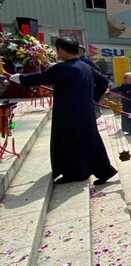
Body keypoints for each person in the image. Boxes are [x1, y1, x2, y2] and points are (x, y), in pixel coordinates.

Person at [12, 37, 117, 185]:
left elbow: (41, 78)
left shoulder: (63, 68)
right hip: (86, 111)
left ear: (61, 49)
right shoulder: (86, 66)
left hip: (69, 113)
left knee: (71, 142)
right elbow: (103, 82)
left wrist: (18, 78)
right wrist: (93, 99)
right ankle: (105, 169)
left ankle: (76, 173)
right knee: (90, 140)